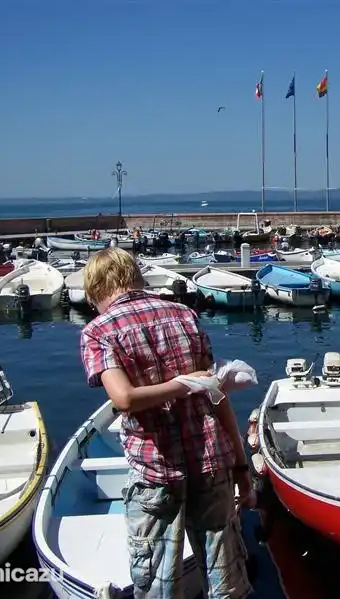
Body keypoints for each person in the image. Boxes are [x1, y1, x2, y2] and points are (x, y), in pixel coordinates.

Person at [79, 247, 253, 599]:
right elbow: (216, 397)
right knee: (226, 582)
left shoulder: (98, 331)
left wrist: (181, 385)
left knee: (159, 584)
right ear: (135, 276)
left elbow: (123, 398)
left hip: (157, 472)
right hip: (211, 463)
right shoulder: (185, 315)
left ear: (96, 289)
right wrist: (240, 464)